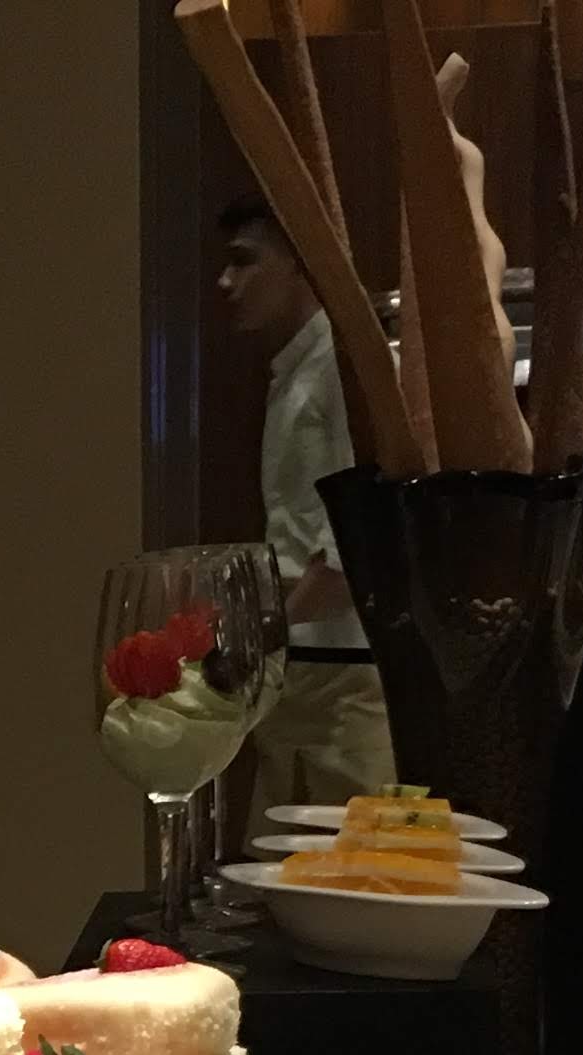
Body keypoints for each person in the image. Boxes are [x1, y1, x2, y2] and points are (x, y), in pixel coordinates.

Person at [214, 201, 394, 804]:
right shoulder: (299, 369)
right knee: (282, 863)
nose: (227, 282)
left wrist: (257, 638)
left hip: (339, 668)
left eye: (244, 261)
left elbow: (357, 548)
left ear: (298, 261)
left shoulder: (344, 367)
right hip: (307, 659)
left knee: (340, 867)